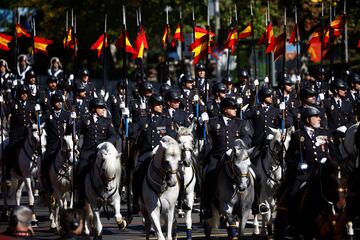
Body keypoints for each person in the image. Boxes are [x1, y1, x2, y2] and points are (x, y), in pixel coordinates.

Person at [199, 97, 253, 219]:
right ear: (224, 109)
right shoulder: (213, 122)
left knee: (256, 175)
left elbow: (247, 138)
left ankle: (256, 204)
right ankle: (207, 206)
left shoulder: (241, 122)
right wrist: (202, 124)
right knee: (208, 175)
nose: (235, 110)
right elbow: (201, 135)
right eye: (232, 108)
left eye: (235, 108)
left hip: (237, 157)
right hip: (218, 157)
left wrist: (237, 147)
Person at [130, 94, 176, 213]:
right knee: (137, 173)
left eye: (161, 104)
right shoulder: (143, 119)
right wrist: (127, 119)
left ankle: (180, 201)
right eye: (157, 104)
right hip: (147, 153)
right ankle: (136, 200)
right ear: (151, 106)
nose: (160, 106)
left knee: (177, 172)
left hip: (162, 154)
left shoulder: (166, 120)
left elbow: (172, 136)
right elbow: (131, 133)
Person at [75, 98, 116, 207]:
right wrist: (72, 122)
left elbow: (113, 135)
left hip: (102, 153)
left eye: (103, 107)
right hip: (87, 153)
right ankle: (80, 197)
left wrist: (106, 144)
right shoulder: (85, 119)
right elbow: (74, 130)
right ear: (93, 109)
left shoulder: (107, 121)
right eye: (100, 107)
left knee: (115, 169)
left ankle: (116, 192)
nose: (103, 110)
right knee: (79, 170)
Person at [3, 85, 39, 182]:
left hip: (28, 133)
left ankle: (39, 172)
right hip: (16, 134)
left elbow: (37, 120)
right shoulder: (13, 104)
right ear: (19, 94)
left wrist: (38, 112)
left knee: (39, 146)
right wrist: (2, 104)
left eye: (26, 93)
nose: (24, 95)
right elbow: (4, 112)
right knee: (10, 148)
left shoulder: (32, 104)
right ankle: (8, 171)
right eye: (22, 93)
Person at [43, 93, 72, 197]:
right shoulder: (48, 114)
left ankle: (73, 185)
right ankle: (47, 185)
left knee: (73, 161)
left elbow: (70, 130)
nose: (59, 103)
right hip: (52, 145)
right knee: (45, 161)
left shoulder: (67, 114)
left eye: (60, 101)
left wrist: (72, 122)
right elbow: (39, 123)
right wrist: (37, 115)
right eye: (56, 101)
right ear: (53, 103)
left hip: (64, 145)